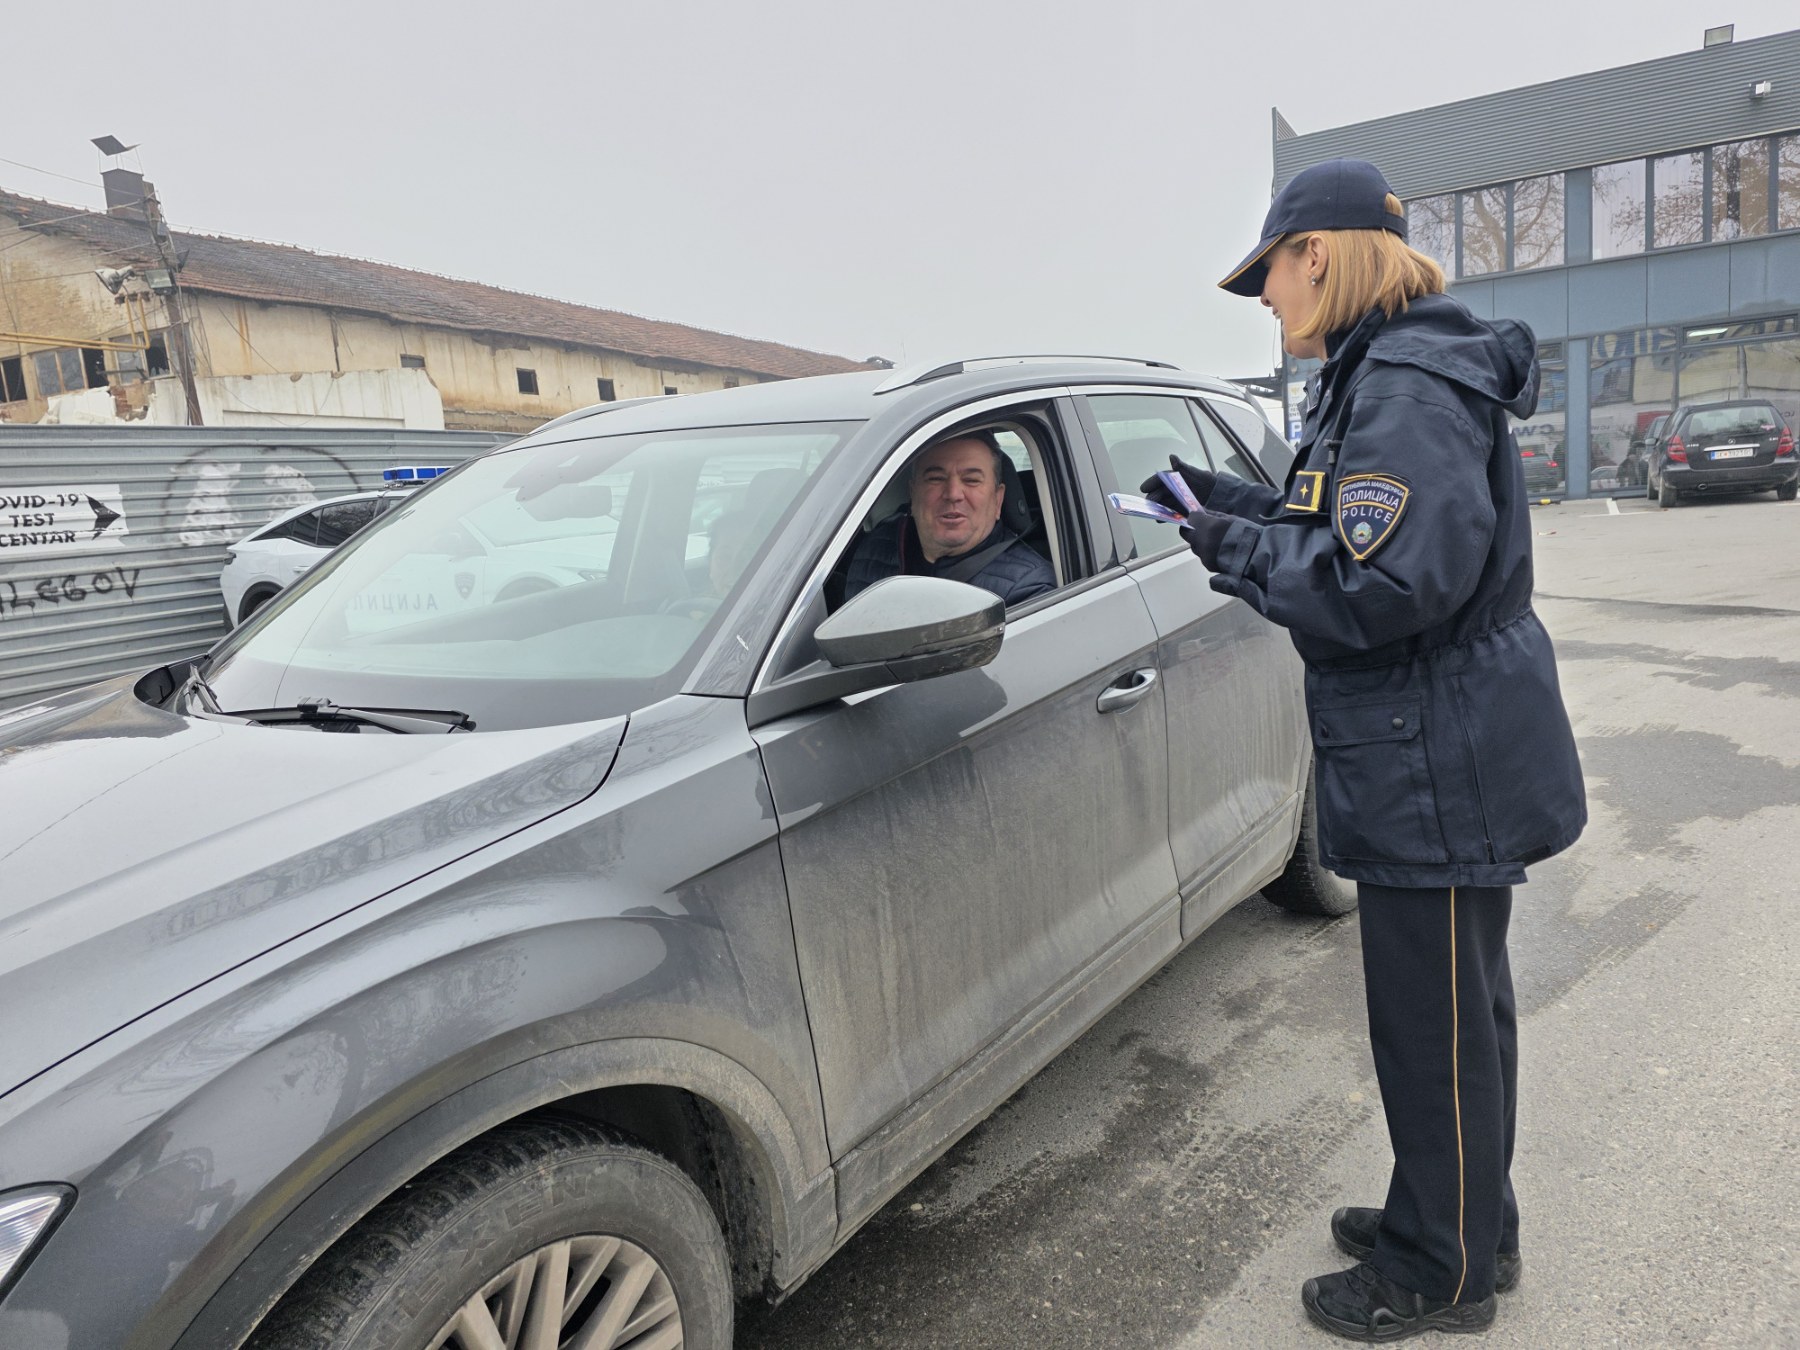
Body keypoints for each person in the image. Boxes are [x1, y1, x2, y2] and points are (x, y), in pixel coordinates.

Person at [1146, 157, 1586, 1341]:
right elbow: (1344, 526)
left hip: (1431, 748)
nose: (1268, 304)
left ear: (1322, 256)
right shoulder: (1387, 372)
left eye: (1272, 279)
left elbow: (1382, 580)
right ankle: (1457, 1223)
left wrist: (1232, 556)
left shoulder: (1400, 385)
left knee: (1432, 1029)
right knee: (1460, 1013)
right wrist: (1222, 518)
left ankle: (1434, 1275)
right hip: (1439, 736)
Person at [843, 431, 1055, 605]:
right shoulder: (873, 549)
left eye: (971, 480)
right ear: (913, 493)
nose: (953, 494)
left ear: (998, 500)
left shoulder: (1028, 588)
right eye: (936, 478)